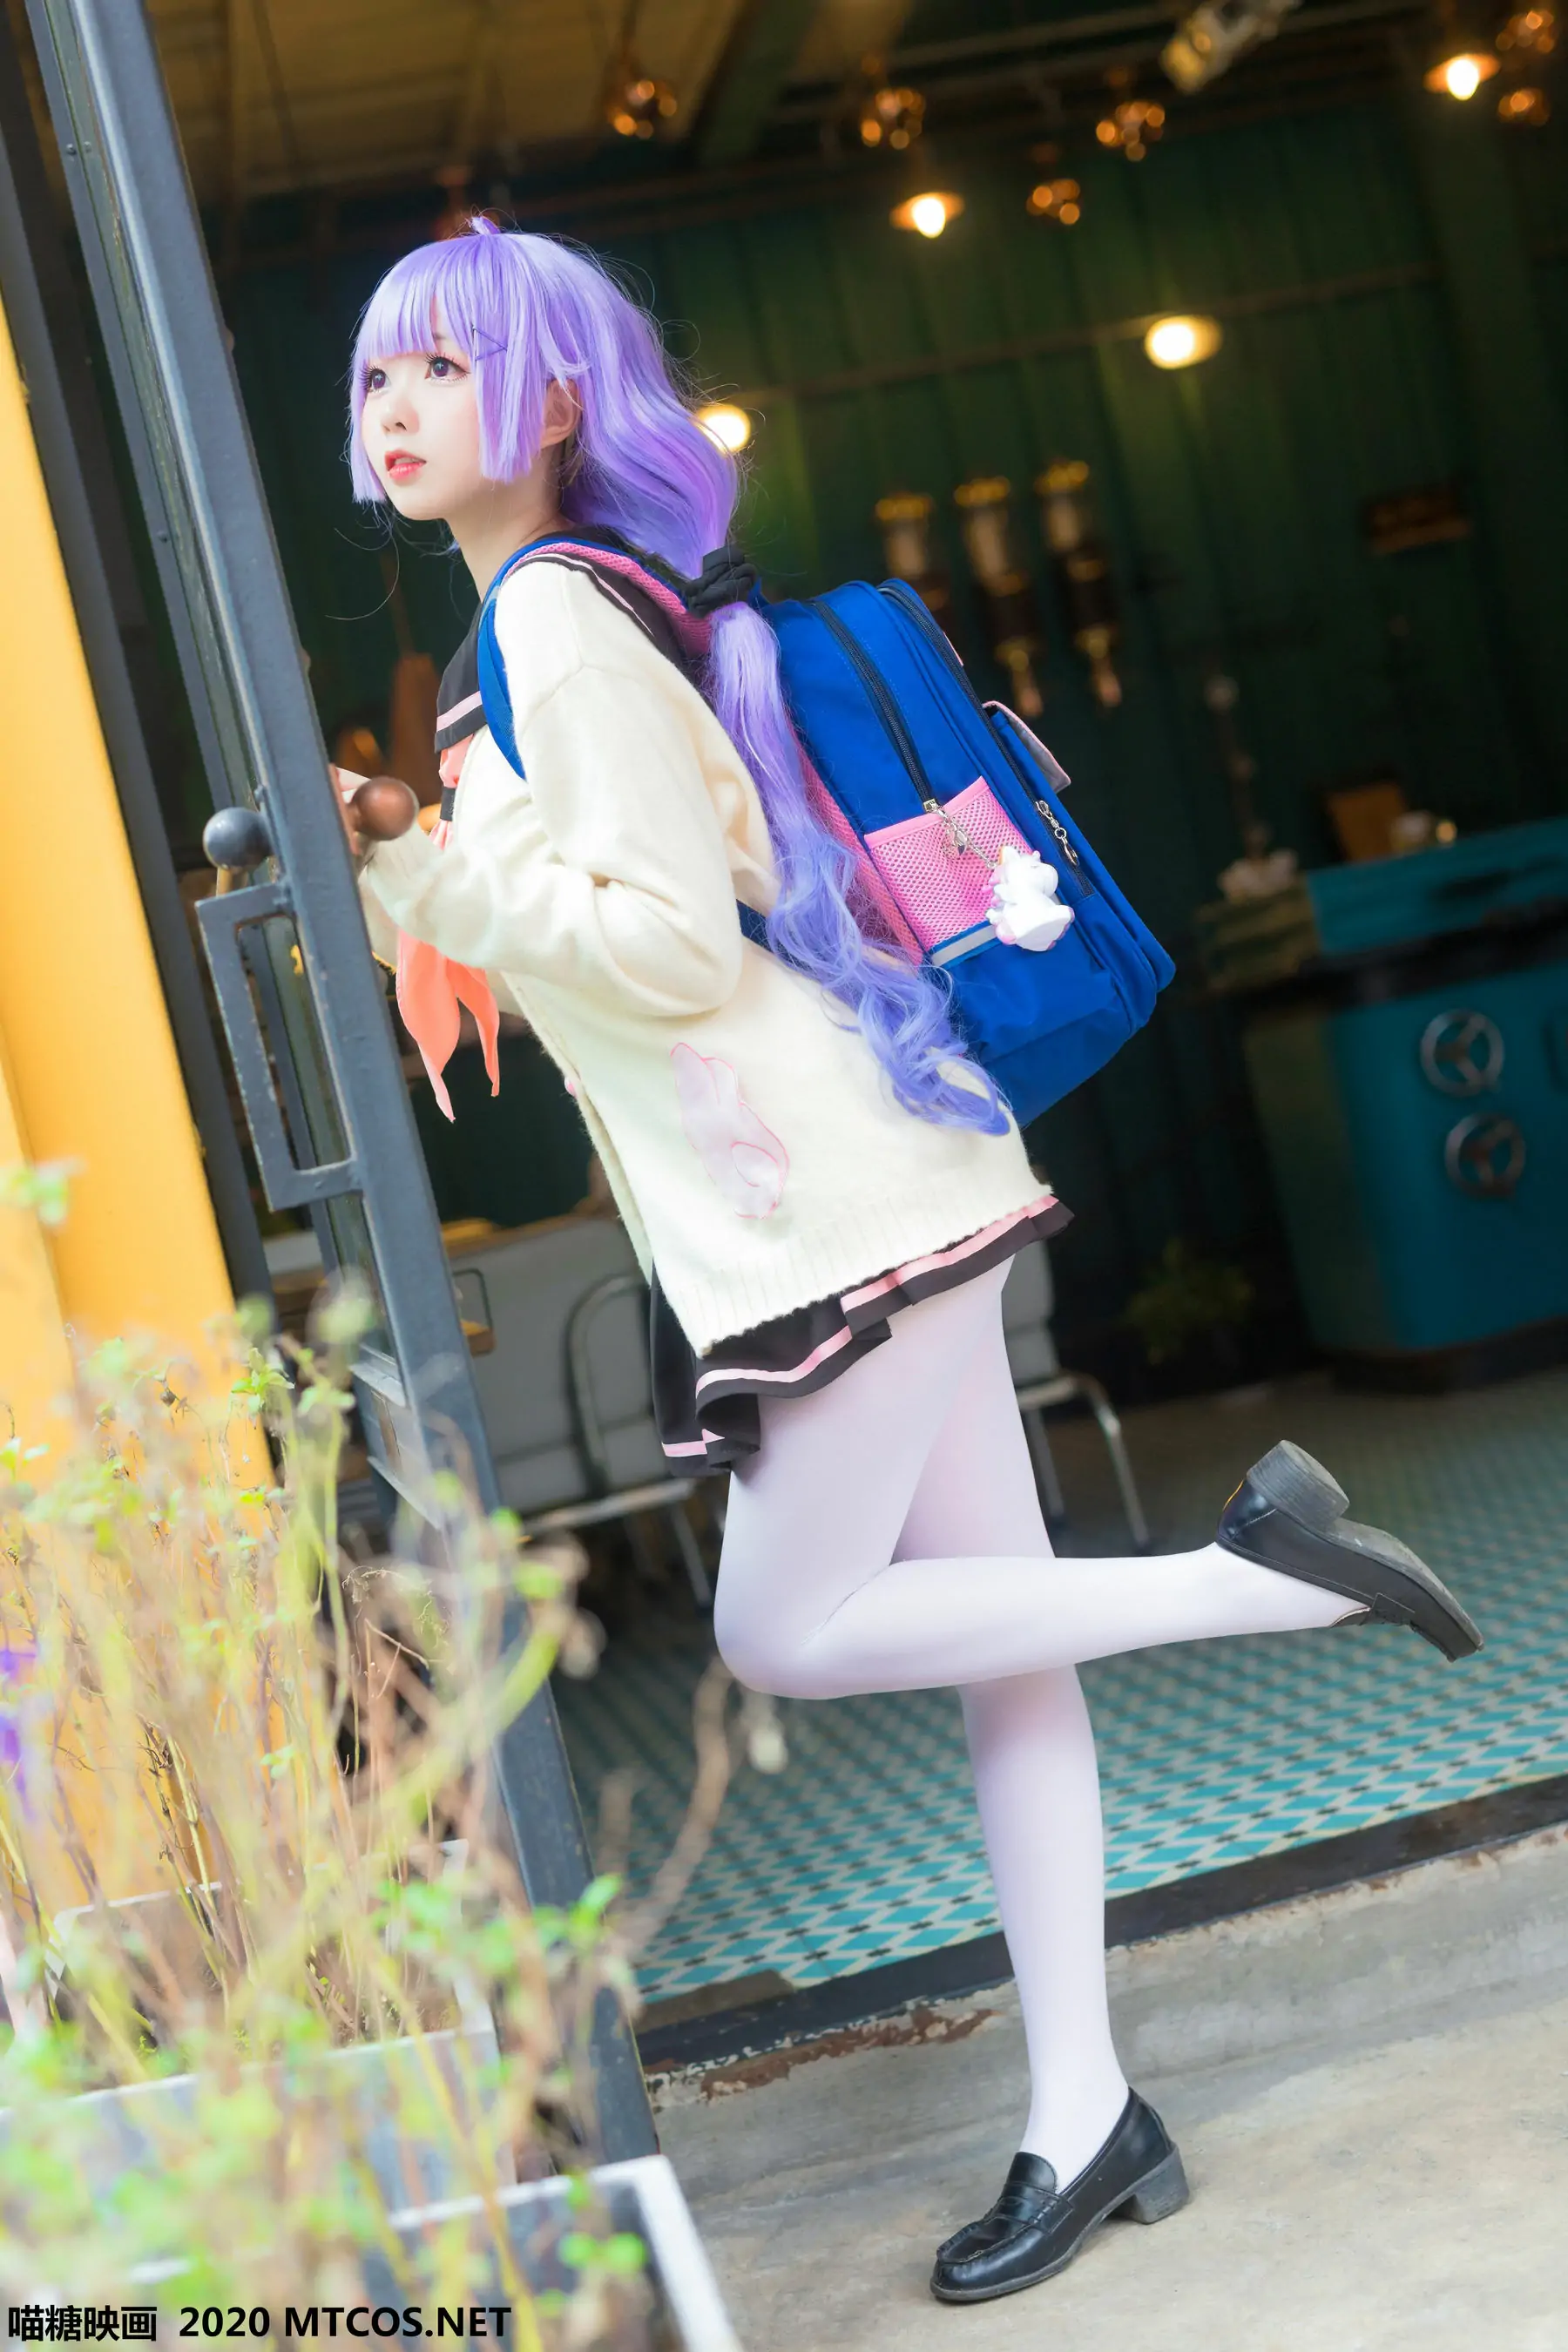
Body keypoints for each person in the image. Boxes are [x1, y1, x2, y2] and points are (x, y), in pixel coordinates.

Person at [341, 219, 1482, 2308]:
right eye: (375, 376)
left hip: (831, 1203)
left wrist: (426, 868)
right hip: (882, 1166)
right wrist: (444, 867)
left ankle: (1260, 1579)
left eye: (441, 365)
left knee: (784, 1624)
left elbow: (669, 953)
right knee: (1001, 1661)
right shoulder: (579, 607)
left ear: (557, 396)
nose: (397, 406)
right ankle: (1085, 2111)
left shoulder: (557, 621)